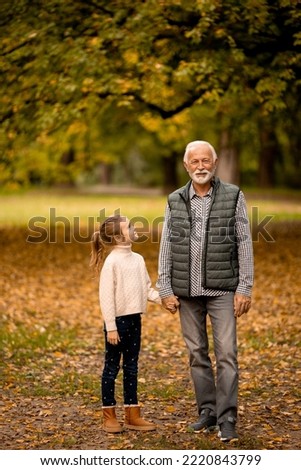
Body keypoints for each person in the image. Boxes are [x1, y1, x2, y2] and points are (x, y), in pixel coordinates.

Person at [157, 140, 254, 442]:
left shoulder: (233, 195)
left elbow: (244, 241)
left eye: (205, 161)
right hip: (186, 290)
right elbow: (167, 244)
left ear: (214, 163)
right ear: (186, 166)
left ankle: (227, 418)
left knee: (227, 353)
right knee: (197, 353)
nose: (200, 166)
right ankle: (208, 412)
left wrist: (245, 286)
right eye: (194, 161)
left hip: (223, 289)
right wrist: (164, 286)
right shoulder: (175, 199)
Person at [90, 214, 167, 433]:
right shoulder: (112, 262)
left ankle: (133, 415)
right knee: (112, 367)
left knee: (131, 367)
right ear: (117, 236)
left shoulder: (138, 259)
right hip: (117, 324)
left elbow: (146, 288)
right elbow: (106, 297)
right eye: (129, 226)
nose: (134, 228)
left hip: (135, 320)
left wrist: (164, 300)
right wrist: (111, 327)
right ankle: (109, 415)